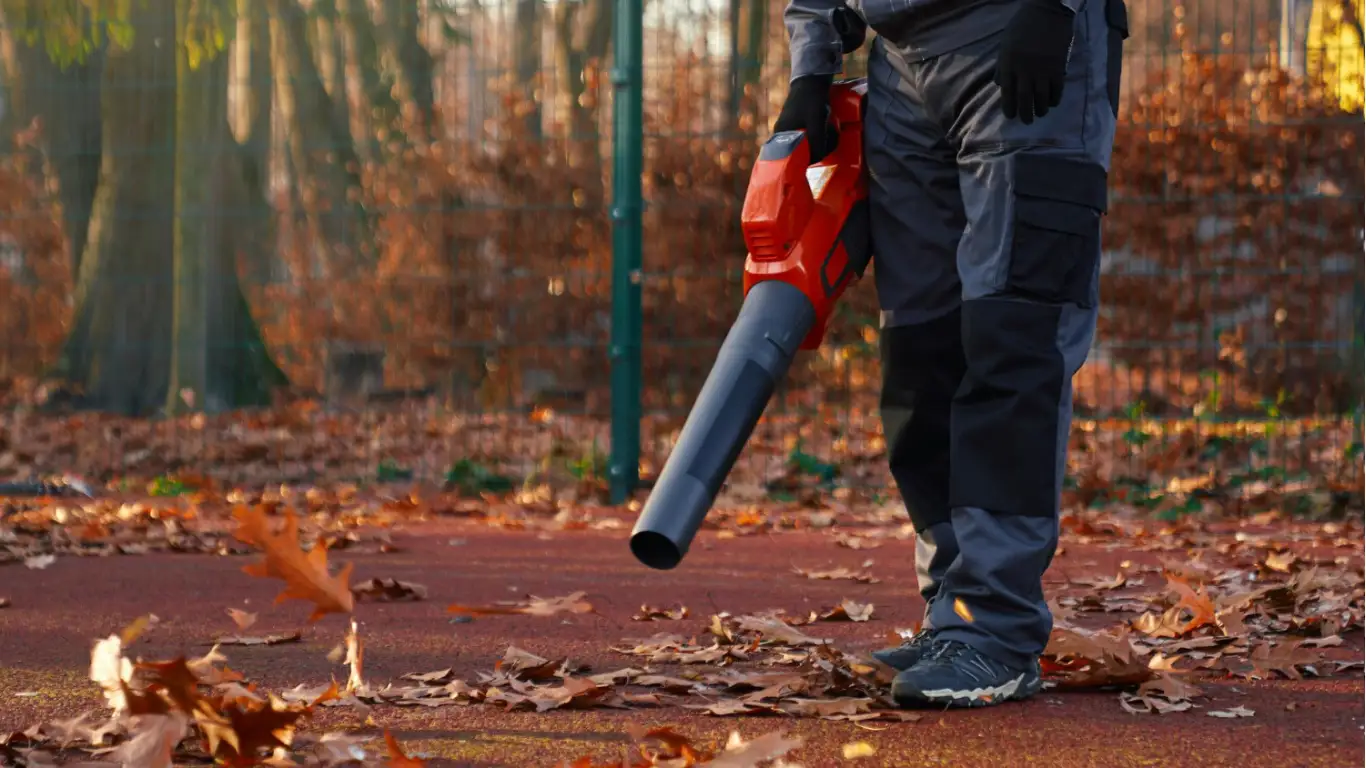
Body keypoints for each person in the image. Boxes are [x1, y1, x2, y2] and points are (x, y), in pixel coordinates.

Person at [774, 0, 1128, 708]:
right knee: (921, 351)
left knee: (1013, 338)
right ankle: (953, 613)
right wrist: (811, 67)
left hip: (1020, 34)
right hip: (901, 63)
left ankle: (993, 627)